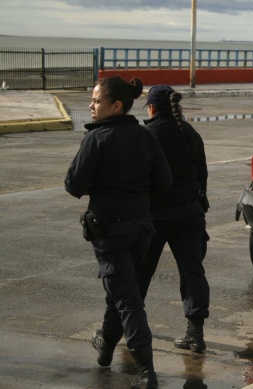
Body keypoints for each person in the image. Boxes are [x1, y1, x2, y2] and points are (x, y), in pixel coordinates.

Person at [65, 76, 172, 389]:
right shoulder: (146, 136)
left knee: (128, 300)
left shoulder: (97, 139)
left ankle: (146, 371)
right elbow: (163, 182)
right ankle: (106, 346)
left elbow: (73, 184)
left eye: (97, 101)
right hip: (141, 228)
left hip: (111, 230)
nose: (91, 106)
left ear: (116, 106)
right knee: (123, 291)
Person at [138, 85, 210, 353]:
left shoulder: (148, 135)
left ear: (152, 108)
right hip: (191, 213)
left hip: (157, 215)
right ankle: (195, 333)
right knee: (192, 272)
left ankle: (128, 326)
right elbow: (202, 175)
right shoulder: (189, 132)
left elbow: (141, 179)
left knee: (141, 271)